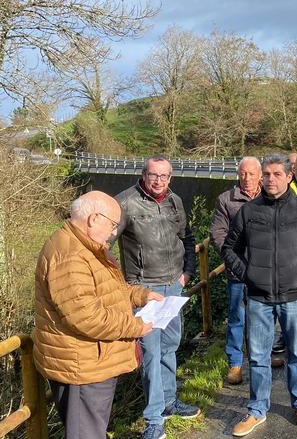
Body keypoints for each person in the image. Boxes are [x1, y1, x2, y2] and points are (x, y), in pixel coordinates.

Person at [222, 154, 297, 436]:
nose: (270, 179)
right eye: (267, 174)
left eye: (276, 174)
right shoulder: (249, 212)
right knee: (259, 356)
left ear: (289, 177)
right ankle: (257, 409)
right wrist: (248, 274)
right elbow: (228, 248)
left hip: (295, 295)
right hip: (259, 297)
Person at [33, 191, 161, 439]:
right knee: (86, 434)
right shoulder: (71, 256)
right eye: (112, 225)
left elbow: (104, 290)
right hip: (81, 367)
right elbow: (87, 317)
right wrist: (135, 326)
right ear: (93, 219)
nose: (114, 232)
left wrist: (139, 295)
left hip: (89, 361)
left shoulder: (85, 245)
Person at [115, 156, 199, 439]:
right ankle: (153, 420)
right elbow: (102, 246)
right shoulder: (125, 202)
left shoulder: (175, 201)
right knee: (150, 353)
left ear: (170, 178)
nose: (159, 181)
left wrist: (187, 272)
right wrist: (125, 286)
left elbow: (187, 238)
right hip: (144, 290)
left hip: (173, 286)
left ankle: (169, 402)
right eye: (154, 175)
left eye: (164, 176)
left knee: (169, 347)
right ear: (143, 174)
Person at [211, 157, 284, 387]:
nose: (247, 178)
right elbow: (217, 234)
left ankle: (263, 354)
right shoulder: (226, 200)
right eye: (243, 174)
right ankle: (235, 364)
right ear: (238, 174)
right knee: (237, 319)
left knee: (265, 317)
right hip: (238, 272)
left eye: (252, 174)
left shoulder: (270, 196)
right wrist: (235, 261)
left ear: (260, 174)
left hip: (266, 271)